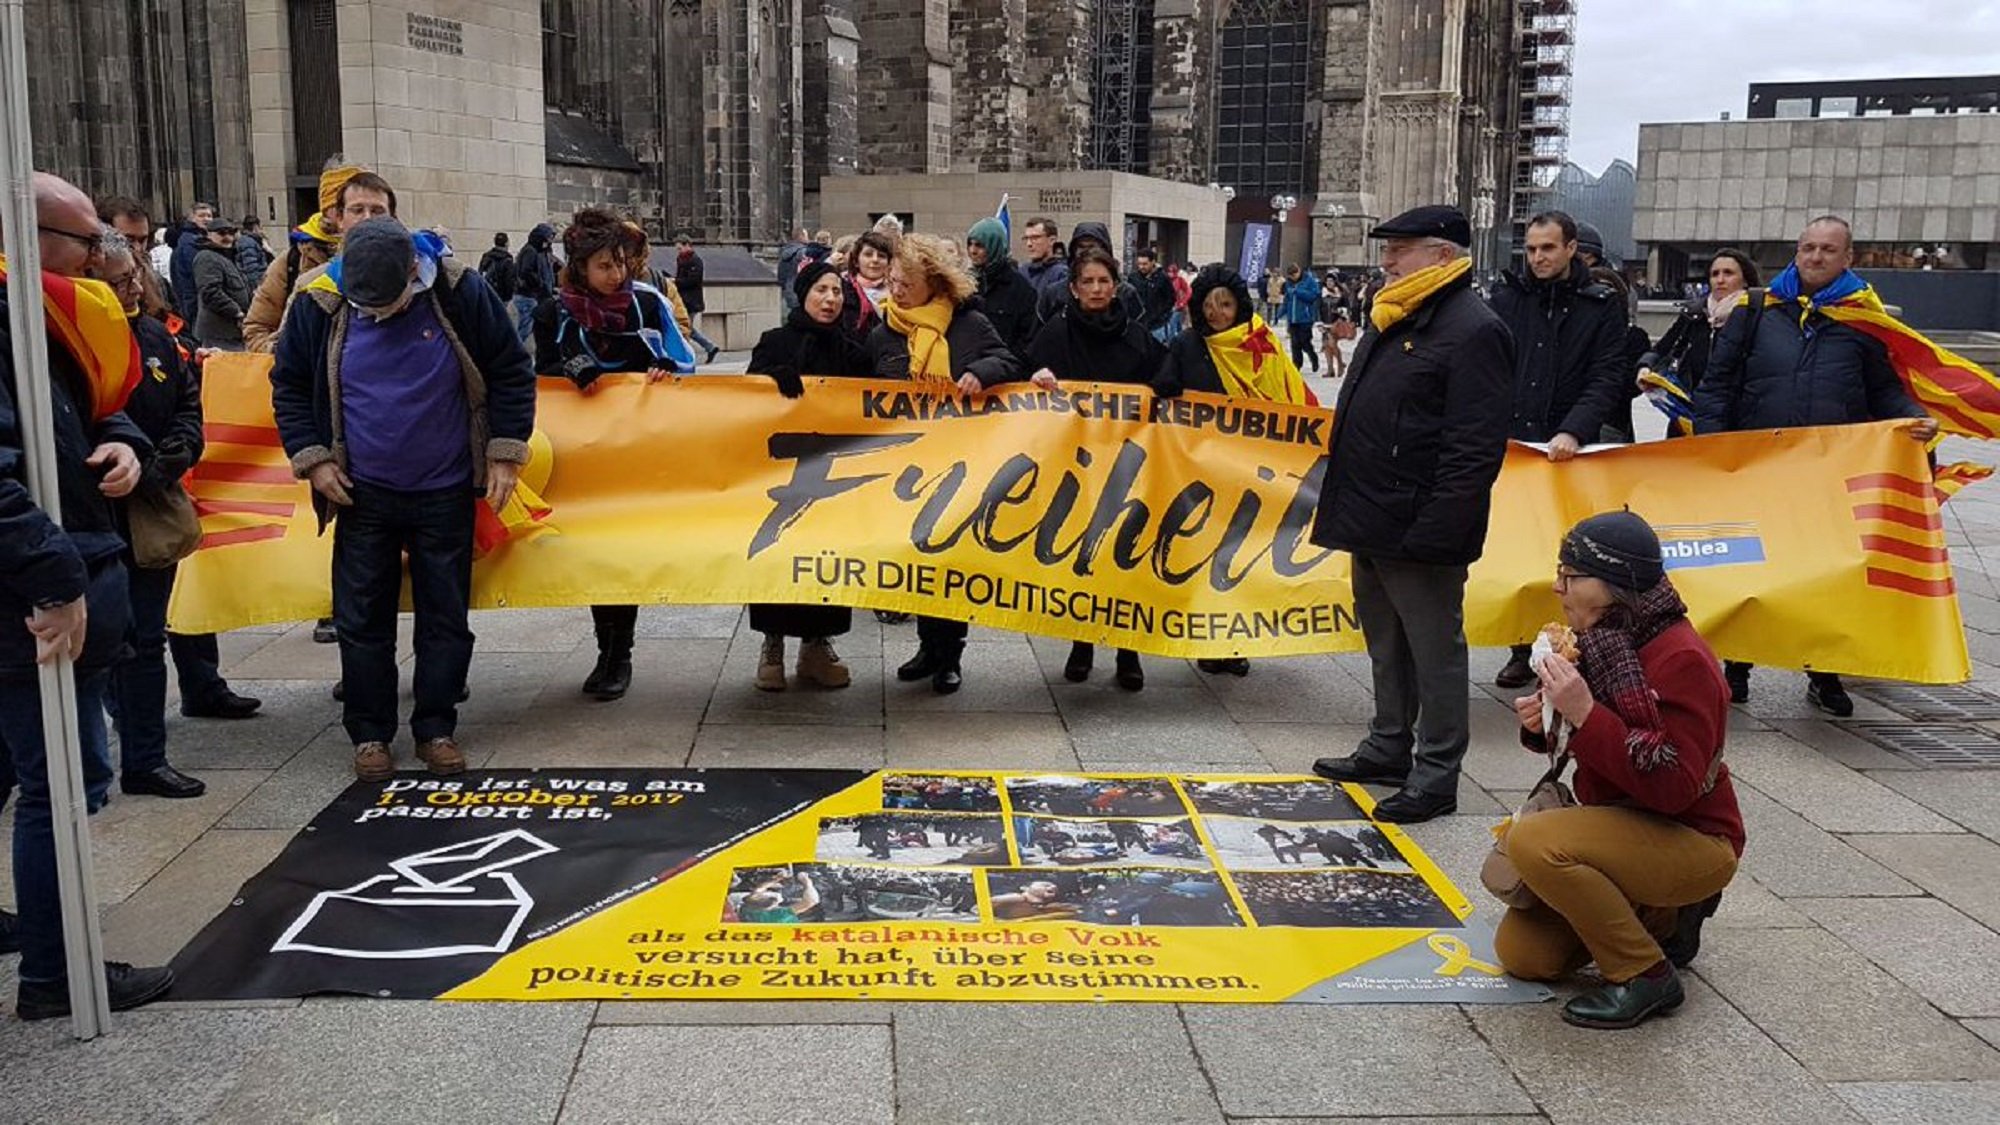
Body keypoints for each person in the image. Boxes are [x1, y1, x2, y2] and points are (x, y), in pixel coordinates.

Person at [1, 171, 177, 1017]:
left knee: (30, 771)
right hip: (33, 597)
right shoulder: (10, 318)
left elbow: (98, 408)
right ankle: (54, 973)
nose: (106, 256)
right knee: (59, 787)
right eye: (89, 241)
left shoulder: (47, 316)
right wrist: (55, 580)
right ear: (36, 239)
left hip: (68, 564)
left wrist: (125, 445)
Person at [271, 218, 536, 780]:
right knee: (361, 619)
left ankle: (436, 727)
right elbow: (290, 385)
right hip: (361, 493)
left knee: (445, 615)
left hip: (444, 487)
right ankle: (369, 734)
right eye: (364, 304)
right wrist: (314, 459)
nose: (375, 313)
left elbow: (511, 369)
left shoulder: (460, 290)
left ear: (414, 272)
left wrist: (505, 451)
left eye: (386, 303)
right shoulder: (318, 301)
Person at [1498, 511, 1744, 1030]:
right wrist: (1545, 720)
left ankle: (1643, 975)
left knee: (1536, 842)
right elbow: (1595, 744)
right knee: (1524, 956)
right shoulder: (1602, 640)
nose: (1557, 586)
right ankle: (1664, 917)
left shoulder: (1682, 658)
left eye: (1571, 574)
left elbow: (1673, 788)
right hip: (1620, 821)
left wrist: (1585, 712)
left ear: (1614, 585)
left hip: (1693, 835)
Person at [1307, 205, 1514, 824]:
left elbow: (1473, 448)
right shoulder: (1395, 315)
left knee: (1435, 652)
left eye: (1400, 249)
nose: (1386, 261)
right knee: (1385, 642)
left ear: (1443, 257)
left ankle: (1436, 772)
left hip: (1421, 524)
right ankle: (1388, 745)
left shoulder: (1474, 329)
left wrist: (1440, 529)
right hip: (1370, 513)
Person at [1691, 215, 1937, 716]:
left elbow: (1884, 390)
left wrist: (1913, 418)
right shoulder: (1757, 309)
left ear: (1848, 258)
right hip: (1759, 466)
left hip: (1830, 474)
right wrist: (1713, 451)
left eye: (1828, 249)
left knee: (1827, 575)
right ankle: (1736, 667)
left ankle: (1824, 671)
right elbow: (1716, 387)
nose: (1816, 257)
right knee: (1751, 570)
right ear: (1795, 252)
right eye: (1807, 248)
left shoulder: (1862, 321)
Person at [91, 234, 258, 800]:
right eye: (117, 281)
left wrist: (174, 454)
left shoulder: (154, 336)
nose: (132, 286)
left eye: (134, 273)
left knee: (143, 637)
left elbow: (187, 402)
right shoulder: (72, 342)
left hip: (153, 503)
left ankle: (144, 758)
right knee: (122, 639)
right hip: (96, 509)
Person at [533, 209, 697, 702]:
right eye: (605, 265)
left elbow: (683, 359)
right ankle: (606, 644)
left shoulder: (646, 304)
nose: (617, 274)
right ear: (580, 267)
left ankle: (617, 653)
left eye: (621, 263)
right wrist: (569, 366)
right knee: (591, 551)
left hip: (635, 453)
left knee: (621, 549)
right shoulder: (553, 312)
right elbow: (541, 372)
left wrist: (664, 369)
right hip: (581, 455)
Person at [867, 233, 1029, 694]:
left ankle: (950, 655)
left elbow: (1007, 359)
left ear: (933, 283)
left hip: (960, 461)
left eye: (905, 283)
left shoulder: (969, 324)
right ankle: (926, 648)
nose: (895, 290)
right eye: (892, 281)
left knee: (948, 558)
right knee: (916, 560)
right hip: (904, 464)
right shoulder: (884, 330)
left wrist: (982, 373)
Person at [1486, 211, 1630, 691]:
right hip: (1514, 444)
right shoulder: (1508, 297)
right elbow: (1488, 368)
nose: (1538, 258)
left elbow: (1607, 374)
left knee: (1573, 554)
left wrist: (1574, 429)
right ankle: (1520, 645)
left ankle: (1578, 645)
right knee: (1516, 548)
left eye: (1548, 248)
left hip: (1570, 446)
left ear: (1571, 248)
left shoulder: (1601, 303)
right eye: (1530, 249)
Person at [1154, 263, 1313, 678]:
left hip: (1257, 471)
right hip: (1206, 473)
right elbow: (1165, 384)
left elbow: (1294, 398)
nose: (1216, 313)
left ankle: (1238, 642)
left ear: (1238, 304)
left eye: (1224, 304)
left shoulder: (1263, 344)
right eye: (1208, 305)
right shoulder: (1188, 344)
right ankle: (1211, 641)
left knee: (1244, 557)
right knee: (1209, 557)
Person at [1025, 247, 1163, 691]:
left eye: (1104, 281)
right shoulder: (1056, 333)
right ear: (1074, 288)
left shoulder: (1137, 335)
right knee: (1080, 552)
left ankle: (1128, 651)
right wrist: (1039, 375)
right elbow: (1023, 366)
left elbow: (1170, 376)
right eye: (1088, 282)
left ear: (1116, 285)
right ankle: (1081, 642)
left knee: (1124, 551)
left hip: (1128, 463)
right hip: (1076, 464)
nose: (1097, 289)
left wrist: (1153, 392)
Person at [746, 261, 876, 692]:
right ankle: (773, 645)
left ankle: (817, 648)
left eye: (837, 291)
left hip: (833, 472)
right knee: (778, 554)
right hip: (782, 474)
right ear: (803, 294)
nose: (830, 299)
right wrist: (768, 381)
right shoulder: (774, 343)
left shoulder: (854, 351)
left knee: (827, 559)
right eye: (822, 290)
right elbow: (740, 404)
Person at [244, 163, 378, 353]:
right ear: (331, 209)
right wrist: (289, 356)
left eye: (375, 209)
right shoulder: (292, 261)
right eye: (356, 208)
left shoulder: (401, 257)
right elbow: (256, 328)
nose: (367, 218)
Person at [1644, 249, 1759, 399]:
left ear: (1745, 280)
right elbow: (1661, 349)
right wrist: (1644, 367)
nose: (1720, 280)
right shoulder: (1694, 314)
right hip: (1691, 404)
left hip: (1740, 408)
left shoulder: (1756, 316)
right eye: (1715, 274)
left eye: (1728, 273)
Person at [1034, 222, 1142, 325]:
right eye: (1081, 247)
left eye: (1092, 246)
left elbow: (1138, 334)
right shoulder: (1054, 294)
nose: (1086, 252)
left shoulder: (1126, 293)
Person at [964, 218, 1039, 362]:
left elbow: (1028, 341)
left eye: (979, 245)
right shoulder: (964, 284)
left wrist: (1002, 366)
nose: (972, 251)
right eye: (970, 244)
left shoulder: (1021, 289)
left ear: (995, 246)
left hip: (1005, 374)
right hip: (966, 373)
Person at [190, 216, 250, 350]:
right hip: (218, 335)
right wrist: (237, 312)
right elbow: (210, 293)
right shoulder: (207, 257)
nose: (228, 237)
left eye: (231, 232)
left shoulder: (227, 257)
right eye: (221, 233)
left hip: (231, 333)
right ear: (209, 234)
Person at [672, 234, 723, 364]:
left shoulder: (695, 260)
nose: (678, 251)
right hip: (684, 300)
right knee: (687, 328)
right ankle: (710, 347)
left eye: (680, 248)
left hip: (692, 301)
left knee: (684, 329)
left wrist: (676, 281)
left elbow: (693, 280)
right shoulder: (681, 259)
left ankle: (687, 356)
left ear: (687, 245)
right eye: (677, 249)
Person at [168, 200, 214, 322]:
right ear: (192, 218)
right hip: (195, 303)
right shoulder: (191, 242)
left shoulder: (199, 239)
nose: (207, 219)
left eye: (209, 216)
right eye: (201, 216)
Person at [513, 222, 559, 343]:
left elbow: (552, 266)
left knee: (528, 327)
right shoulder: (531, 251)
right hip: (528, 295)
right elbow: (526, 272)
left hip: (534, 294)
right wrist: (540, 284)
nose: (550, 240)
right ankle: (516, 353)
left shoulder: (540, 251)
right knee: (525, 328)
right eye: (549, 237)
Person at [1277, 263, 1322, 374]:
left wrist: (1298, 292)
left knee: (1304, 342)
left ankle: (1313, 357)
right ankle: (1296, 365)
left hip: (1305, 318)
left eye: (1294, 275)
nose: (1292, 278)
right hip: (1293, 319)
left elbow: (1313, 296)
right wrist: (1280, 313)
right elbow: (1287, 300)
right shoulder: (1288, 283)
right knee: (1295, 344)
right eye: (1290, 276)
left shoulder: (1309, 281)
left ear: (1298, 272)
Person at [1131, 248, 1176, 343]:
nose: (1142, 267)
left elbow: (1171, 299)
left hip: (1157, 326)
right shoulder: (1133, 278)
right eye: (1139, 264)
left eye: (1145, 264)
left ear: (1153, 262)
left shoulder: (1162, 278)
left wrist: (1162, 316)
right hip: (1138, 325)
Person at [1019, 216, 1068, 302]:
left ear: (1052, 240)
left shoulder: (1061, 273)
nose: (1029, 244)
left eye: (1035, 238)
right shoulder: (1022, 271)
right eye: (1026, 238)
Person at [477, 231, 516, 303]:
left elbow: (480, 273)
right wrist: (508, 298)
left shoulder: (486, 256)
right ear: (506, 243)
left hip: (487, 294)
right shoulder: (507, 259)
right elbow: (509, 281)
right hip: (501, 297)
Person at [236, 215, 275, 280]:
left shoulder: (254, 241)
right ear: (256, 227)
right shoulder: (248, 243)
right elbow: (251, 269)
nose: (262, 230)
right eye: (261, 227)